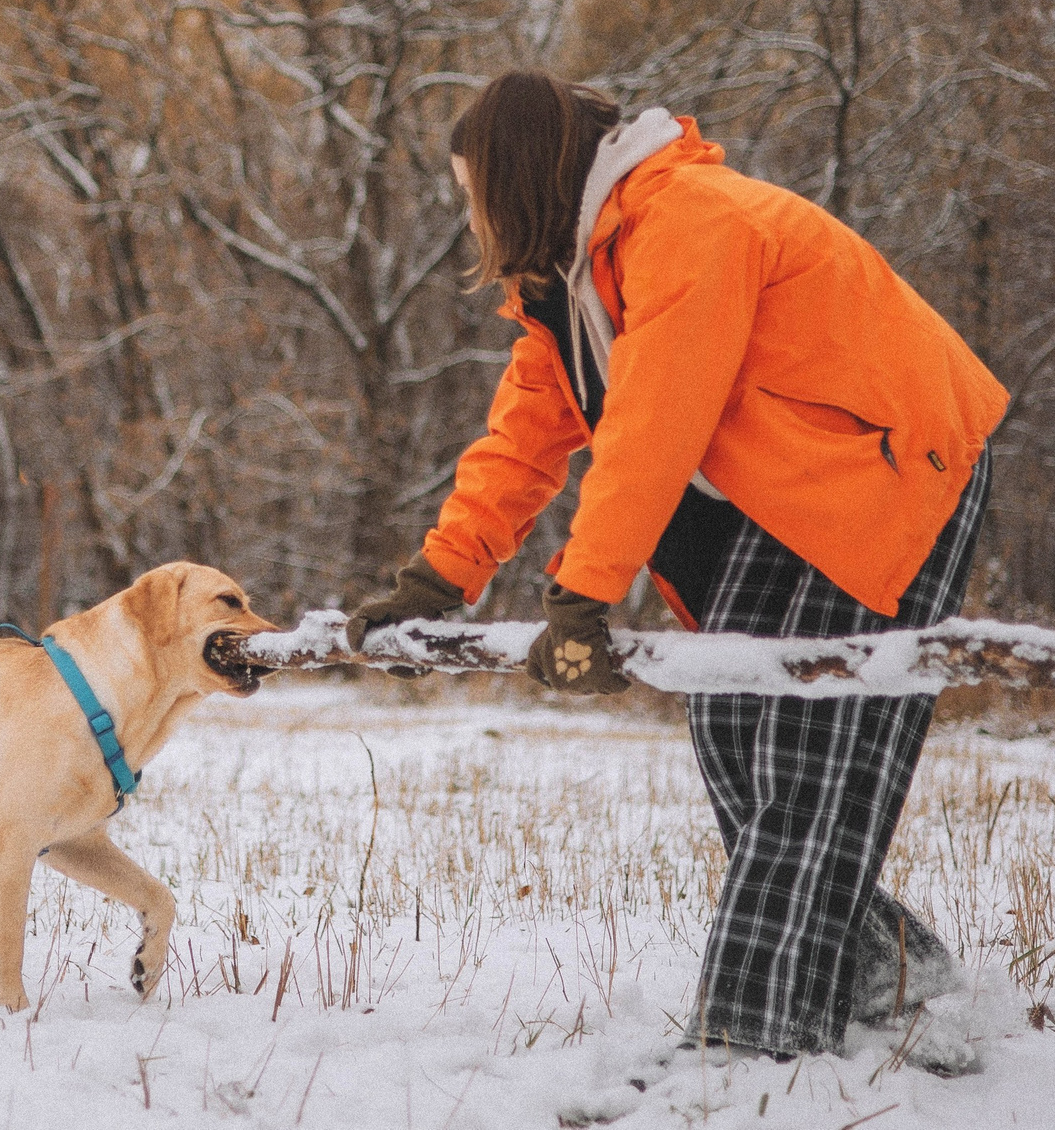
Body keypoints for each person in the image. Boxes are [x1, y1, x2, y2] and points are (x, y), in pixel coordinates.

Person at [347, 72, 1006, 1072]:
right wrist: (440, 577)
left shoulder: (685, 221)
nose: (471, 217)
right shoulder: (575, 284)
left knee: (807, 760)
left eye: (474, 193)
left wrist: (583, 594)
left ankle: (748, 1044)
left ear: (521, 178)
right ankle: (893, 974)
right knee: (731, 725)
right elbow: (525, 438)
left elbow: (656, 422)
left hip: (891, 459)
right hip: (790, 483)